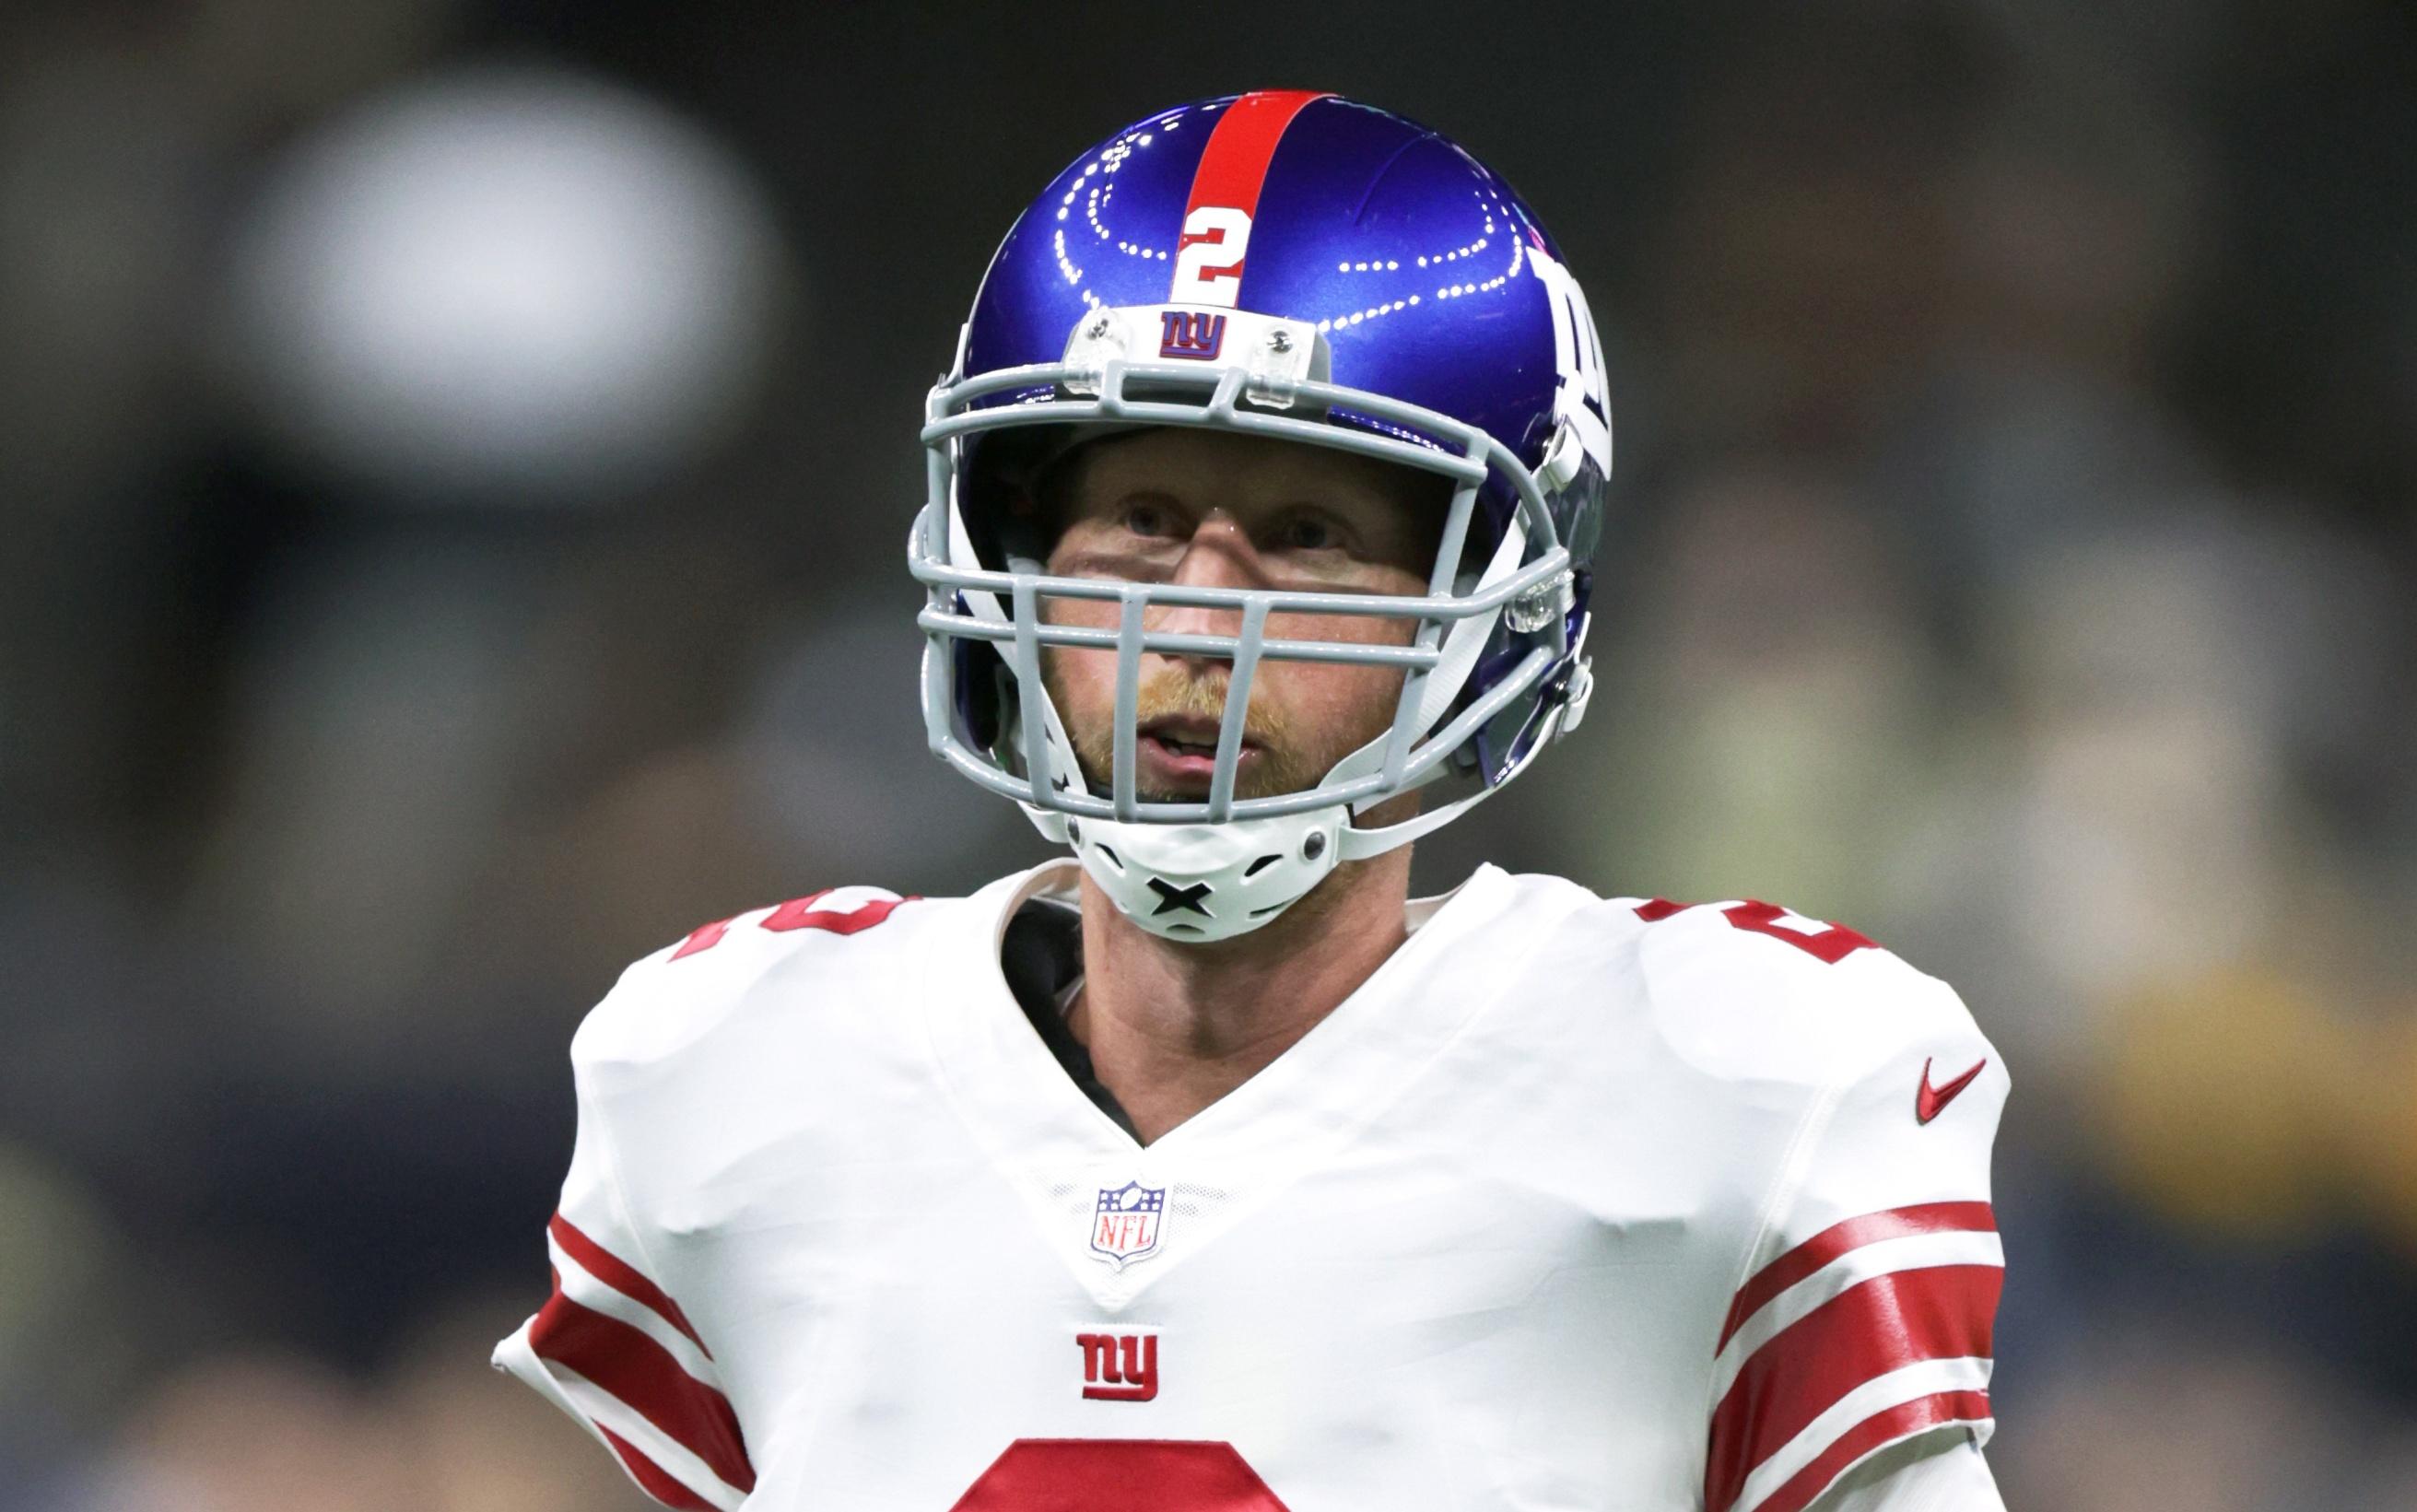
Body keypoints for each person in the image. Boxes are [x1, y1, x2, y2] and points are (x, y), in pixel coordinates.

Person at [492, 90, 2010, 1512]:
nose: (1198, 618)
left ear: (1494, 605)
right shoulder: (739, 1073)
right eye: (1141, 519)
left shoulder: (1734, 1086)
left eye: (1306, 534)